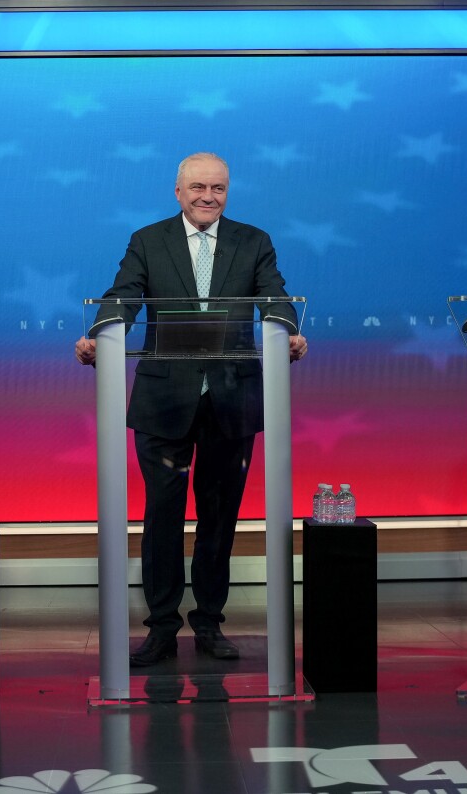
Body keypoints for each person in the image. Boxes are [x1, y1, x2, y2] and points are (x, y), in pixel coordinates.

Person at [75, 152, 308, 667]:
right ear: (178, 191)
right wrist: (100, 336)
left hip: (232, 398)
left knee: (219, 517)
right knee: (162, 516)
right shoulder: (148, 240)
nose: (208, 197)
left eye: (218, 188)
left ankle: (209, 622)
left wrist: (288, 331)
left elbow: (275, 297)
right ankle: (161, 627)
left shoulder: (254, 241)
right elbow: (122, 298)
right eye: (198, 187)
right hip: (164, 400)